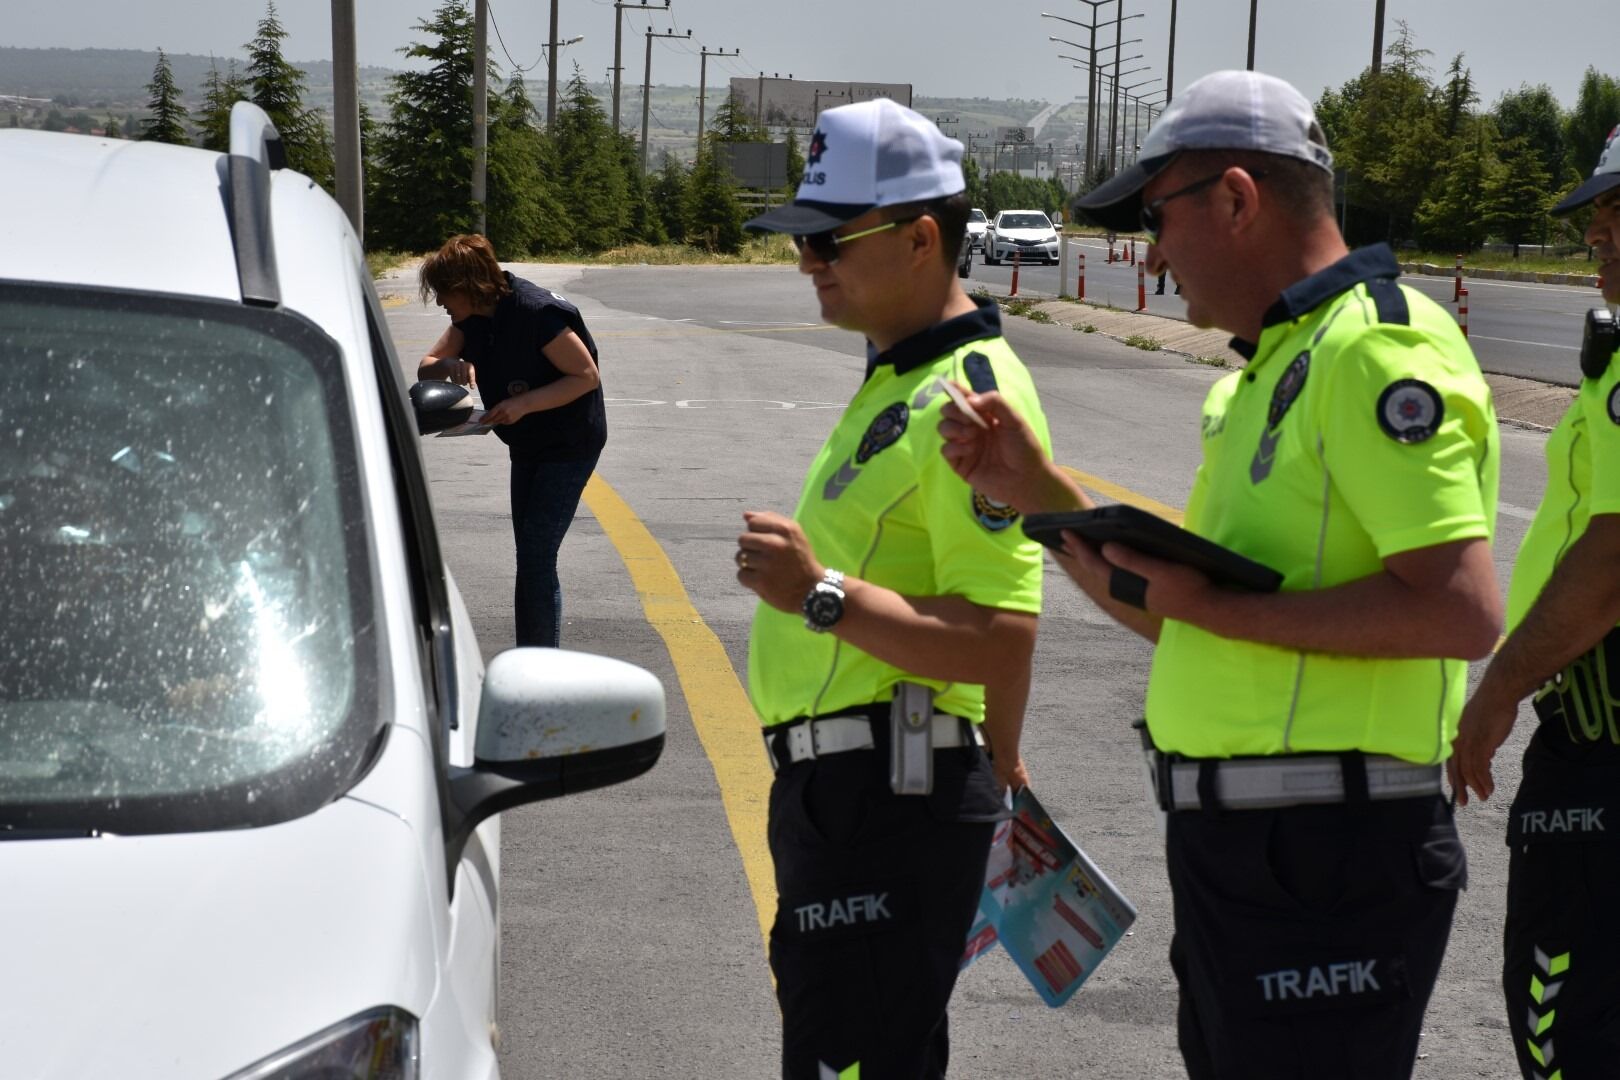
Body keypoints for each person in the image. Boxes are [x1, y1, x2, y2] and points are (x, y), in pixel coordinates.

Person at [938, 70, 1502, 1080]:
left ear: (1238, 200)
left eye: (1158, 217)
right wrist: (1040, 498)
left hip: (1329, 849)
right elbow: (1191, 618)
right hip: (1253, 846)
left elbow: (1462, 609)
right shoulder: (1271, 368)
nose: (1152, 255)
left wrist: (1220, 606)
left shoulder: (1376, 346)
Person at [736, 98, 1051, 1079]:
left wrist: (818, 593)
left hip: (888, 793)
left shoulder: (968, 394)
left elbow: (1002, 632)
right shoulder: (898, 380)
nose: (807, 262)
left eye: (830, 240)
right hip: (851, 794)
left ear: (922, 238)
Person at [1449, 125, 1620, 1080]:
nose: (1599, 231)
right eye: (1597, 211)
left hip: (1604, 767)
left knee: (1570, 1038)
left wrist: (1499, 689)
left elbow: (1612, 560)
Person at [418, 234, 605, 648]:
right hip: (526, 444)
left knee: (537, 557)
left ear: (469, 286)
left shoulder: (538, 314)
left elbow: (585, 376)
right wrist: (451, 364)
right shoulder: (472, 318)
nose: (439, 302)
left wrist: (525, 404)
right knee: (531, 557)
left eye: (444, 292)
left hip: (568, 442)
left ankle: (541, 663)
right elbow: (426, 367)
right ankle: (534, 654)